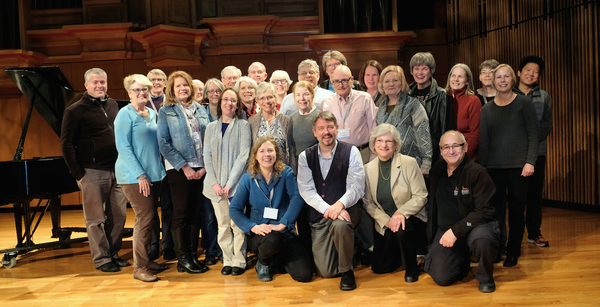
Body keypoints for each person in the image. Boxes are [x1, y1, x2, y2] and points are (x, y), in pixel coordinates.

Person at [60, 68, 129, 272]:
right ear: (86, 85)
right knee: (96, 219)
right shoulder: (74, 111)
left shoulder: (114, 104)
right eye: (95, 82)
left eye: (103, 82)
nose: (100, 86)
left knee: (119, 216)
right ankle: (101, 259)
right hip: (91, 172)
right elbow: (66, 144)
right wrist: (78, 174)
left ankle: (113, 253)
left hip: (117, 170)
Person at [230, 136, 313, 283]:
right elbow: (234, 209)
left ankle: (274, 260)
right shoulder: (247, 179)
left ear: (276, 154)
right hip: (259, 235)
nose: (266, 154)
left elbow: (297, 197)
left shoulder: (286, 173)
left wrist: (283, 223)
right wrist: (252, 227)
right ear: (255, 156)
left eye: (270, 150)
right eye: (262, 151)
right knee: (272, 239)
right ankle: (263, 262)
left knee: (304, 275)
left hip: (284, 232)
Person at [297, 111, 365, 291]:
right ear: (314, 132)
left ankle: (347, 271)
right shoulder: (305, 156)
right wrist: (329, 209)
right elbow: (306, 190)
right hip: (320, 215)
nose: (326, 132)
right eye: (321, 128)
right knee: (326, 271)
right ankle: (352, 249)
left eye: (330, 127)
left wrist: (340, 205)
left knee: (340, 226)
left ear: (336, 128)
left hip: (347, 209)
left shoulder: (351, 151)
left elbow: (356, 186)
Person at [479, 64, 539, 267]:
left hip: (519, 168)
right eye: (498, 77)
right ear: (493, 81)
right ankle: (495, 250)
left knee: (516, 212)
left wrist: (530, 161)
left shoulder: (524, 103)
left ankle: (514, 251)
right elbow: (484, 141)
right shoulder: (487, 109)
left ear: (513, 79)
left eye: (506, 77)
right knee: (494, 212)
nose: (502, 80)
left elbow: (533, 134)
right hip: (493, 168)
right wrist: (484, 169)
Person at [426, 130, 499, 293]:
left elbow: (484, 210)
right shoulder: (436, 170)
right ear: (440, 150)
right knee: (441, 278)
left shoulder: (478, 173)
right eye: (446, 147)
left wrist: (456, 231)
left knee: (483, 240)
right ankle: (462, 259)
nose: (450, 151)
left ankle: (485, 278)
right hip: (446, 230)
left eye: (455, 146)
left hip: (475, 227)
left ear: (465, 147)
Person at [115, 74, 168, 282]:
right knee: (144, 219)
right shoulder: (124, 115)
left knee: (150, 218)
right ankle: (139, 267)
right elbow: (124, 148)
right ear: (129, 93)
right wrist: (140, 175)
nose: (142, 93)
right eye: (137, 90)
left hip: (153, 174)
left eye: (145, 89)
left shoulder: (152, 114)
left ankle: (147, 261)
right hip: (134, 176)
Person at [157, 70, 210, 274]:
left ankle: (192, 255)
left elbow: (208, 139)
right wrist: (184, 166)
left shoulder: (201, 109)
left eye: (185, 85)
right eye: (178, 85)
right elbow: (163, 143)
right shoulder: (166, 110)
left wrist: (204, 166)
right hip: (179, 168)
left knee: (196, 211)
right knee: (181, 211)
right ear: (171, 89)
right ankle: (183, 258)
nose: (183, 88)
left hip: (201, 166)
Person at [363, 124, 427, 283]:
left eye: (389, 141)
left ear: (396, 145)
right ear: (374, 144)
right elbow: (368, 202)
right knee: (379, 268)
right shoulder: (367, 169)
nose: (384, 145)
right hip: (384, 222)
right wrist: (386, 221)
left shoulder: (409, 163)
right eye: (380, 140)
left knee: (401, 228)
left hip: (410, 218)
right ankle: (400, 254)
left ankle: (412, 266)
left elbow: (421, 195)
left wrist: (400, 214)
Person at [203, 88, 252, 276]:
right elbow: (206, 155)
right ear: (220, 102)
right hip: (215, 187)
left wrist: (230, 183)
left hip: (236, 185)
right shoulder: (211, 128)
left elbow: (244, 155)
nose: (229, 103)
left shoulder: (243, 126)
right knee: (222, 225)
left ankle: (239, 260)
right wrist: (215, 182)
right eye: (226, 99)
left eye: (233, 100)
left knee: (237, 224)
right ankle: (228, 259)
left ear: (237, 104)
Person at [514, 55, 553, 248]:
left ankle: (534, 233)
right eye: (528, 70)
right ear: (519, 72)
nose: (531, 74)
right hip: (514, 154)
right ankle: (515, 236)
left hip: (537, 153)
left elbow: (546, 125)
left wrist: (530, 138)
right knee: (516, 197)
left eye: (536, 72)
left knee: (535, 196)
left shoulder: (544, 97)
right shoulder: (508, 95)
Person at [377, 65, 433, 174]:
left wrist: (426, 162)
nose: (391, 84)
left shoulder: (413, 104)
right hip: (387, 164)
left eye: (395, 80)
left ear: (402, 82)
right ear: (382, 85)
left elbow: (424, 133)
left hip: (411, 163)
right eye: (387, 81)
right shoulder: (380, 107)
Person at [146, 68, 175, 261]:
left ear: (165, 83)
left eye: (160, 79)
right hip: (149, 162)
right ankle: (153, 245)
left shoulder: (171, 103)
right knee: (149, 208)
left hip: (168, 162)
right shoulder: (140, 103)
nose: (156, 82)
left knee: (168, 206)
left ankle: (168, 244)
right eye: (153, 79)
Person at [321, 65, 377, 164]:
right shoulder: (326, 102)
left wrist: (374, 155)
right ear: (332, 82)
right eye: (336, 81)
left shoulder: (364, 98)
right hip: (337, 155)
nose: (340, 85)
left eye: (344, 80)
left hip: (362, 153)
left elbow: (374, 129)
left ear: (351, 80)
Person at [408, 52, 453, 164]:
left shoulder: (442, 95)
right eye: (416, 68)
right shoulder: (407, 94)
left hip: (435, 156)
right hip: (410, 154)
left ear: (431, 71)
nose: (420, 72)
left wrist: (443, 159)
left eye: (424, 69)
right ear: (412, 71)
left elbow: (445, 130)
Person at [199, 79, 226, 265]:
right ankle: (210, 250)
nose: (214, 94)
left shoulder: (232, 113)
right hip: (207, 172)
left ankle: (225, 250)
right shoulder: (201, 114)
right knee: (208, 216)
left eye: (218, 91)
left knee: (226, 216)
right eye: (211, 91)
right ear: (206, 94)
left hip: (227, 172)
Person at [248, 82, 296, 170]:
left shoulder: (286, 120)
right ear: (257, 101)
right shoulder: (251, 121)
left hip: (282, 169)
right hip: (260, 171)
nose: (266, 101)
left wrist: (293, 171)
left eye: (270, 97)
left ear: (275, 98)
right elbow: (250, 150)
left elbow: (291, 148)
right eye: (262, 98)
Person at [445, 63, 482, 160]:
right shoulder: (443, 98)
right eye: (453, 76)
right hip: (445, 156)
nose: (456, 79)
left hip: (466, 157)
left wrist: (463, 157)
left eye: (460, 77)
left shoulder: (473, 101)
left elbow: (475, 134)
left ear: (467, 80)